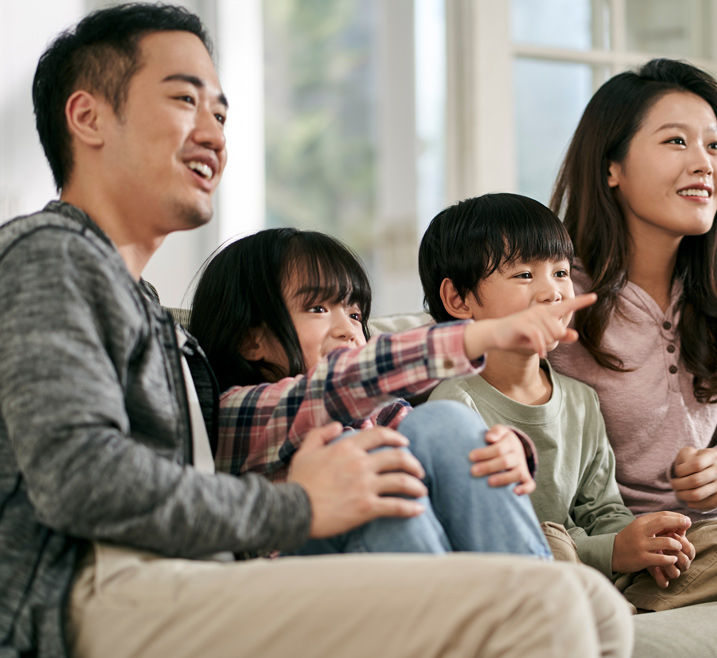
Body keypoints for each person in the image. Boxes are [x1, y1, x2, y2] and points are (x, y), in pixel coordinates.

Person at [0, 2, 634, 658]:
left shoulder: (157, 322)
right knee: (551, 602)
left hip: (188, 570)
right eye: (185, 100)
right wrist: (296, 504)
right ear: (88, 117)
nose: (215, 133)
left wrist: (490, 414)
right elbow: (80, 478)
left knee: (597, 607)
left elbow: (349, 388)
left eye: (221, 112)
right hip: (88, 592)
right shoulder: (51, 252)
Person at [417, 192, 717, 611]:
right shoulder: (454, 407)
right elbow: (488, 528)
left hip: (591, 566)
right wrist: (610, 552)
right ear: (458, 299)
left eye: (560, 272)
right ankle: (602, 607)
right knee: (551, 543)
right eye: (524, 275)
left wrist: (643, 542)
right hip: (524, 564)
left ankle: (622, 610)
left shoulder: (581, 400)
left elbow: (602, 510)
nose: (552, 292)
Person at [548, 57, 717, 598]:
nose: (704, 163)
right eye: (675, 142)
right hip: (643, 554)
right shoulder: (561, 297)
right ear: (611, 167)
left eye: (714, 145)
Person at [189, 226, 594, 556]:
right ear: (250, 340)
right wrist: (478, 335)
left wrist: (503, 448)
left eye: (354, 313)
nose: (349, 328)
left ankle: (535, 604)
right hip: (302, 585)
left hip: (414, 564)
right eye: (317, 308)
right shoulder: (237, 413)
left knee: (443, 422)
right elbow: (337, 387)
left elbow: (437, 450)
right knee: (372, 464)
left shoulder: (378, 415)